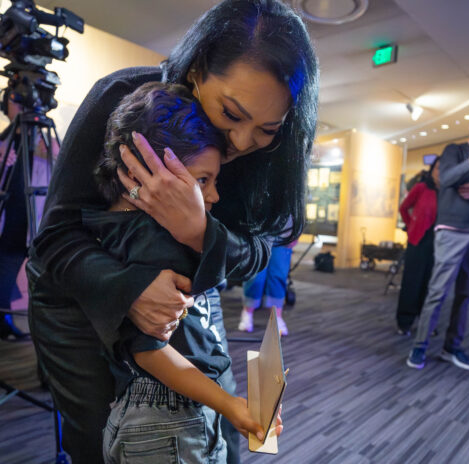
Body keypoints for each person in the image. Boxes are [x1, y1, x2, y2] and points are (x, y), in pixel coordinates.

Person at [26, 1, 318, 462]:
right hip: (81, 297)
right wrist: (131, 289)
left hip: (188, 291)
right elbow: (56, 236)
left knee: (217, 427)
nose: (240, 144)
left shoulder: (276, 152)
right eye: (232, 114)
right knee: (107, 441)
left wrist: (202, 233)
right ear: (197, 71)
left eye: (267, 128)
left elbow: (262, 249)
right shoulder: (124, 96)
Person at [89, 82, 270, 461]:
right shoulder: (147, 239)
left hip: (178, 410)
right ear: (144, 170)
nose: (215, 195)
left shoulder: (121, 226)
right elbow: (149, 351)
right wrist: (228, 404)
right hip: (166, 417)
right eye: (203, 180)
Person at [406, 105, 469, 370]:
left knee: (466, 294)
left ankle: (452, 347)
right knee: (438, 292)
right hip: (452, 231)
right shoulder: (455, 151)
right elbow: (447, 178)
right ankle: (419, 347)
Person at [0, 96, 57, 339]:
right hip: (8, 222)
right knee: (4, 276)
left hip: (35, 223)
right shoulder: (3, 140)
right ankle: (4, 324)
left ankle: (45, 330)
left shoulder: (45, 141)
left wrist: (51, 152)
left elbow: (61, 161)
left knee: (40, 278)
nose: (22, 104)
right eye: (15, 99)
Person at [395, 156, 440, 335]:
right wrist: (410, 226)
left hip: (439, 243)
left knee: (431, 284)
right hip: (419, 240)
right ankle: (404, 322)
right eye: (437, 168)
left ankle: (426, 321)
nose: (440, 172)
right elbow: (404, 207)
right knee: (412, 282)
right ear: (432, 170)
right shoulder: (422, 187)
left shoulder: (449, 192)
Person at [238, 243, 295, 336]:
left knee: (278, 273)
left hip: (283, 233)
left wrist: (296, 233)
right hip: (260, 231)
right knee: (256, 273)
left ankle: (276, 317)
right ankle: (247, 312)